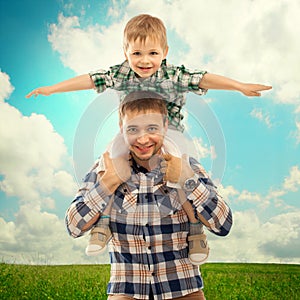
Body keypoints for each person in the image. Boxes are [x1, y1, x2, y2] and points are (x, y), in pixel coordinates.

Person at [26, 14, 271, 262]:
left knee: (178, 171)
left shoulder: (174, 75)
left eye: (153, 53)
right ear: (125, 52)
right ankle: (103, 223)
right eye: (137, 54)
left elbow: (203, 78)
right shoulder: (120, 74)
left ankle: (195, 229)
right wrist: (52, 89)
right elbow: (91, 79)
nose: (145, 61)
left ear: (164, 52)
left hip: (170, 134)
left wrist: (239, 85)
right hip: (132, 132)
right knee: (111, 162)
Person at [65, 91, 233, 299]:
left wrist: (188, 181)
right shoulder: (105, 168)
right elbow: (73, 227)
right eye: (133, 129)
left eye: (152, 128)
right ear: (121, 129)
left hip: (183, 289)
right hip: (126, 291)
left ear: (165, 126)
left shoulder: (186, 165)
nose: (143, 139)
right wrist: (109, 182)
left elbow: (223, 225)